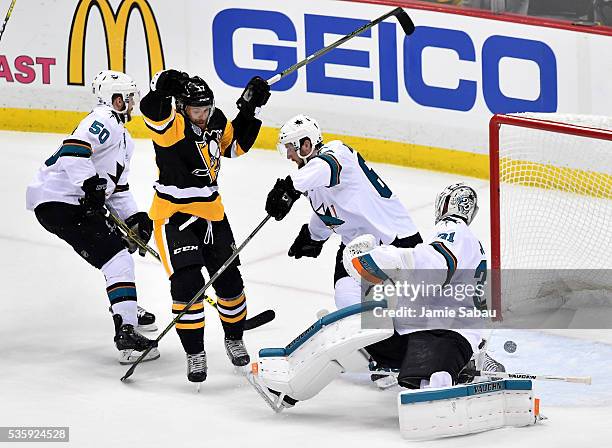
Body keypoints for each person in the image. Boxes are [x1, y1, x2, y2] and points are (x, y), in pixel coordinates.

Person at [139, 69, 270, 384]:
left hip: (212, 214)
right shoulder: (174, 125)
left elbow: (235, 147)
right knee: (186, 284)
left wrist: (250, 110)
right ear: (183, 107)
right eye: (196, 110)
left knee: (229, 280)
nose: (202, 116)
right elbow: (152, 112)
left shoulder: (215, 119)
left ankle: (234, 337)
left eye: (206, 109)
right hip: (173, 215)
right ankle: (195, 352)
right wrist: (160, 91)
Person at [25, 70, 159, 365]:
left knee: (118, 255)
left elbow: (117, 189)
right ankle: (126, 335)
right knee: (117, 259)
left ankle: (125, 305)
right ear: (114, 99)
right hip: (62, 200)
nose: (132, 103)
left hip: (71, 202)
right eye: (128, 98)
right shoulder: (104, 119)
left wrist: (135, 216)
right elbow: (73, 151)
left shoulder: (124, 138)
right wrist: (89, 183)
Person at [343, 183, 500, 389]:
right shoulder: (467, 239)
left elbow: (433, 266)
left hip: (446, 331)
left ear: (444, 205)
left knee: (435, 382)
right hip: (444, 328)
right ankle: (464, 359)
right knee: (377, 326)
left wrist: (376, 258)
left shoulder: (453, 228)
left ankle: (464, 362)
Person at [264, 114, 422, 310]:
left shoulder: (337, 152)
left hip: (397, 241)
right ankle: (362, 331)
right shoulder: (311, 182)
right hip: (356, 247)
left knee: (413, 309)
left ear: (306, 145)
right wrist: (312, 237)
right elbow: (328, 214)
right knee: (345, 296)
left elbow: (325, 166)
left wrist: (289, 187)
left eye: (290, 148)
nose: (288, 155)